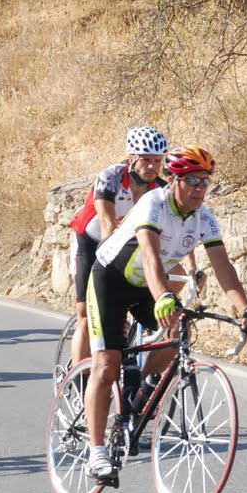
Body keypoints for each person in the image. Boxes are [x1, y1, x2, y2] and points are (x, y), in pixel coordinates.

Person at [82, 144, 247, 480]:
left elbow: (224, 269)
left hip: (148, 286)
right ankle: (95, 453)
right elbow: (150, 256)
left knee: (179, 334)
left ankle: (140, 396)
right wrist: (164, 295)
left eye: (206, 181)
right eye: (193, 180)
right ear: (174, 180)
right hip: (111, 278)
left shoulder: (204, 219)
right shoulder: (154, 203)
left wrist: (246, 310)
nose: (200, 189)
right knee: (107, 364)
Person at [66, 126, 170, 370]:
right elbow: (107, 223)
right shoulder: (111, 177)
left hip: (124, 247)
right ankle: (77, 378)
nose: (153, 167)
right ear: (132, 158)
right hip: (91, 241)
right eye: (146, 160)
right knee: (85, 313)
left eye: (158, 160)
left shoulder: (160, 189)